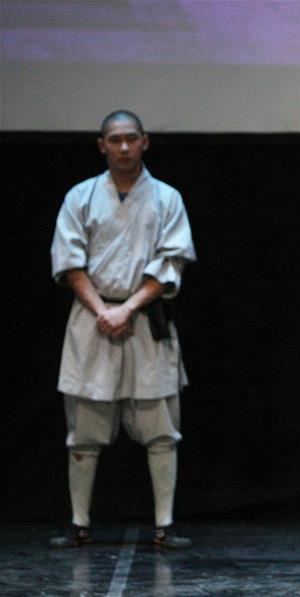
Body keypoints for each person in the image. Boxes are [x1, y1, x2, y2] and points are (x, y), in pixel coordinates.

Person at [49, 110, 196, 549]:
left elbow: (173, 259)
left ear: (145, 141)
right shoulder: (80, 197)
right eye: (115, 140)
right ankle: (79, 524)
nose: (125, 147)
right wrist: (103, 310)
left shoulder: (167, 198)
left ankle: (164, 526)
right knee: (86, 428)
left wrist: (129, 307)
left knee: (160, 426)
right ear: (102, 146)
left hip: (145, 318)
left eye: (132, 139)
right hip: (93, 319)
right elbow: (69, 259)